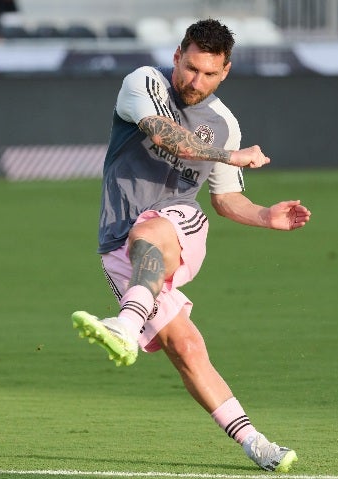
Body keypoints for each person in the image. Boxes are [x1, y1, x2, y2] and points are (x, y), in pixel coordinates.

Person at [71, 19, 310, 473]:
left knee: (152, 228)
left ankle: (124, 327)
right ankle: (256, 443)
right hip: (118, 244)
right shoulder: (143, 82)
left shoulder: (224, 124)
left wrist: (264, 215)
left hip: (180, 224)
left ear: (225, 72)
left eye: (208, 74)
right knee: (186, 348)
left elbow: (225, 199)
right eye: (191, 67)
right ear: (178, 54)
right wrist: (230, 156)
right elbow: (163, 134)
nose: (194, 81)